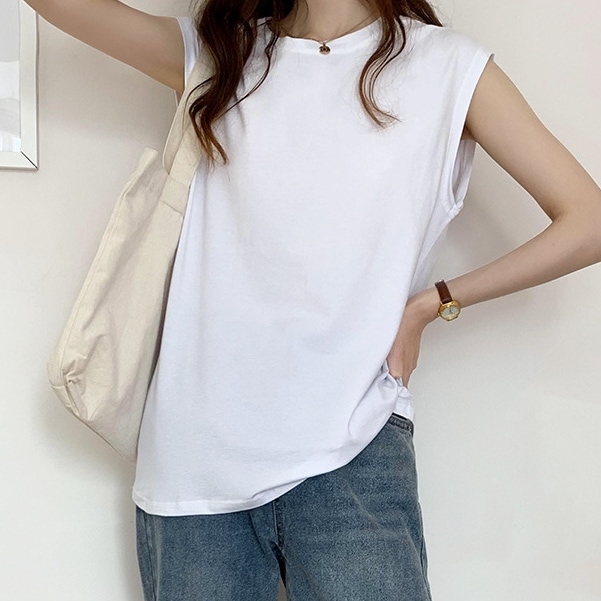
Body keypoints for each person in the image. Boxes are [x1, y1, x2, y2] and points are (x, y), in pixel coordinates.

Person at [26, 0, 601, 599]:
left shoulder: (449, 67)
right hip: (194, 472)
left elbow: (588, 220)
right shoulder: (222, 57)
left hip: (354, 452)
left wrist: (432, 303)